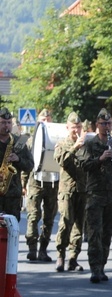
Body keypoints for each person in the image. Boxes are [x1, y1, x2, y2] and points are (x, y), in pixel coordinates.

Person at [78, 109, 112, 283]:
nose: (106, 127)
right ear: (97, 125)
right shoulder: (90, 144)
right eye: (103, 124)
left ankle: (102, 266)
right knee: (95, 233)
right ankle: (94, 269)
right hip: (95, 194)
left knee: (107, 233)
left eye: (109, 124)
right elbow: (83, 165)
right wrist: (100, 159)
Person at [52, 112, 87, 272]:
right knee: (65, 222)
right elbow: (62, 161)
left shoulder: (87, 144)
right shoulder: (62, 144)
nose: (76, 130)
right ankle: (61, 255)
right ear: (68, 128)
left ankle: (73, 258)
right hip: (67, 190)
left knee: (79, 225)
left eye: (79, 127)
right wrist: (75, 147)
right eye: (74, 127)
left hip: (83, 190)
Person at [25, 108, 59, 262]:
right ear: (38, 121)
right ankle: (32, 248)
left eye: (48, 119)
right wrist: (23, 184)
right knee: (33, 216)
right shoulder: (31, 140)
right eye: (43, 120)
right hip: (35, 182)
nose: (45, 122)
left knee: (49, 218)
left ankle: (43, 249)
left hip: (53, 183)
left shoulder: (57, 139)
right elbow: (26, 164)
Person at [0, 108, 34, 244]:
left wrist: (18, 160)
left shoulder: (18, 143)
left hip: (13, 196)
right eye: (3, 123)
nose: (6, 126)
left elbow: (30, 165)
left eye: (8, 122)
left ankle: (10, 262)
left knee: (12, 232)